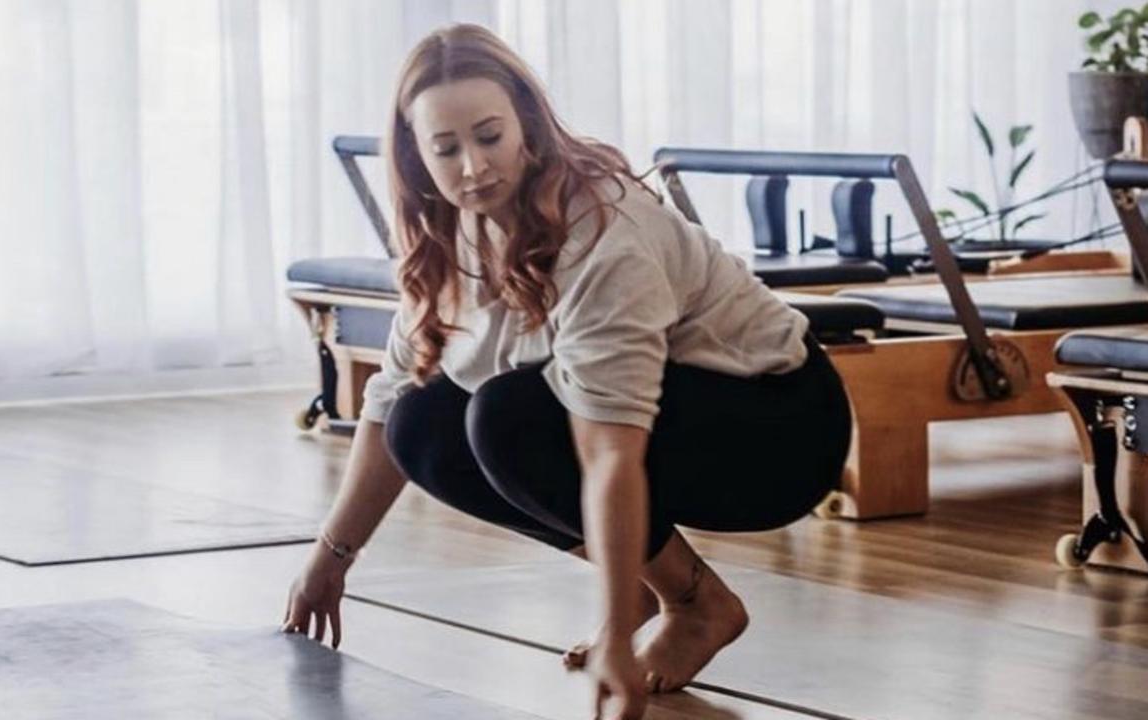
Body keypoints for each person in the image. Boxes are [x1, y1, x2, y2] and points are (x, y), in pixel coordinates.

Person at [282, 23, 851, 720]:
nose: (472, 168)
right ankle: (654, 579)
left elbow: (608, 449)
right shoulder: (451, 235)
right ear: (414, 156)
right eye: (446, 148)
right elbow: (389, 400)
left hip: (777, 428)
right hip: (668, 427)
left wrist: (613, 635)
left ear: (525, 121)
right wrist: (328, 561)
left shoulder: (602, 229)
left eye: (489, 137)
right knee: (422, 423)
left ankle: (695, 604)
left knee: (505, 416)